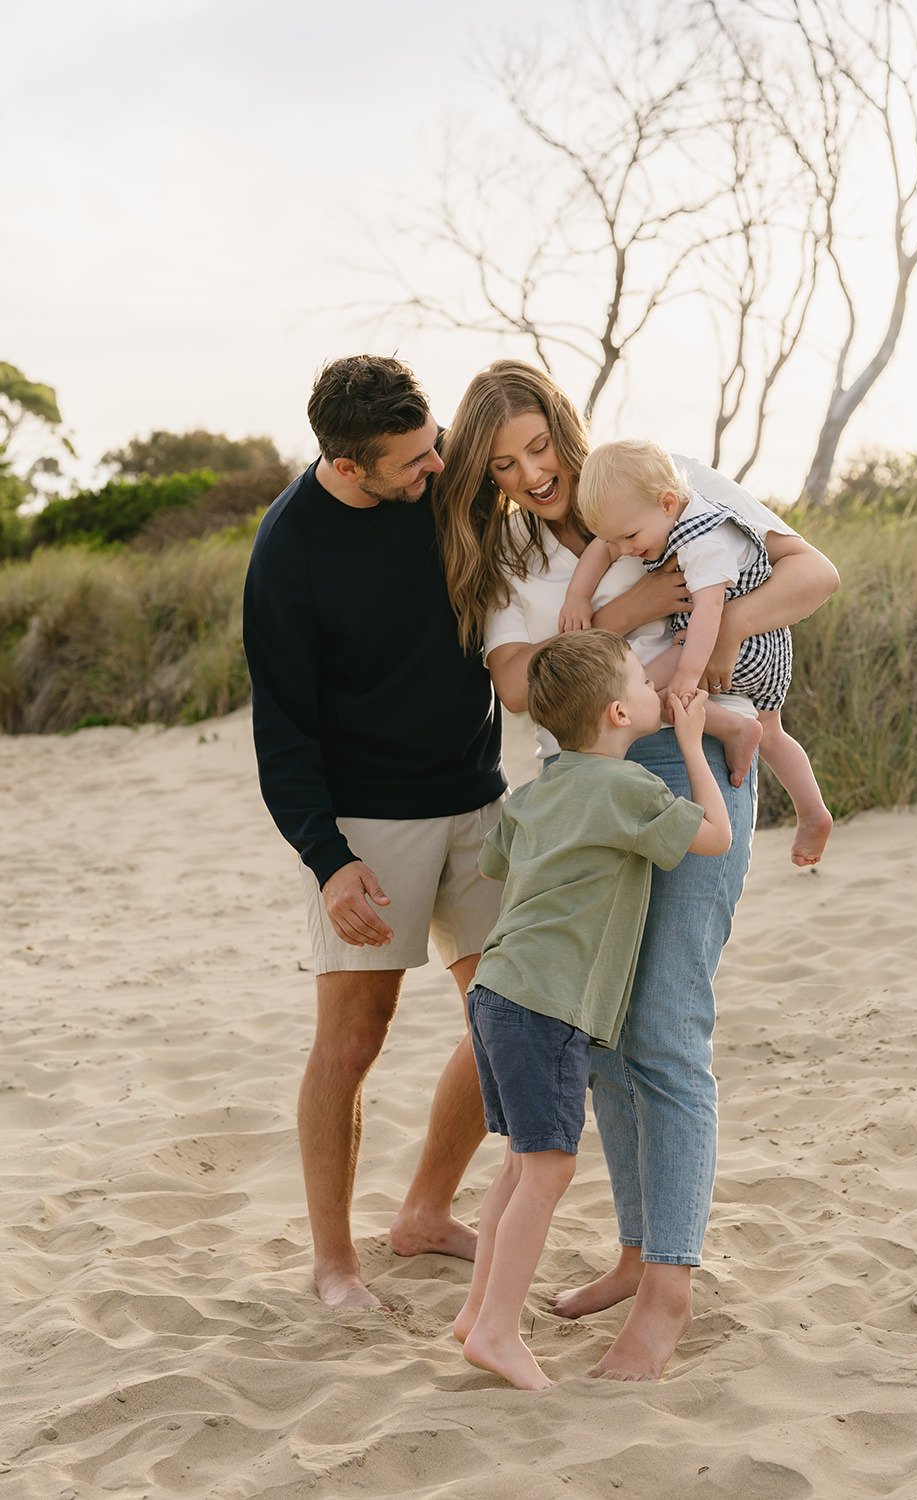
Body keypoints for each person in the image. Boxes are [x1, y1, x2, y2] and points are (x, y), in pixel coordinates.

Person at [433, 359, 840, 1380]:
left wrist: (703, 647)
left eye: (536, 445)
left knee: (663, 1027)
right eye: (503, 465)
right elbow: (526, 688)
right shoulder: (513, 557)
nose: (530, 474)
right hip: (587, 783)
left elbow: (808, 578)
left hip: (692, 753)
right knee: (602, 1033)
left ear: (563, 427)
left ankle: (667, 1293)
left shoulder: (669, 481)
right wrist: (635, 606)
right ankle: (628, 1253)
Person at [242, 354, 507, 1310]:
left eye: (433, 446)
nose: (434, 469)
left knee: (510, 1018)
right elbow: (284, 729)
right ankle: (334, 1264)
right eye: (409, 461)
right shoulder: (289, 549)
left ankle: (425, 1215)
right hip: (364, 823)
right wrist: (330, 861)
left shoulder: (445, 490)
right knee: (353, 1043)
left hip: (479, 802)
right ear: (349, 466)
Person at [455, 631, 731, 1391]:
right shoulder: (626, 790)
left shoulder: (538, 789)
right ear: (619, 711)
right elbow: (716, 835)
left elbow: (496, 862)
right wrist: (690, 741)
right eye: (644, 682)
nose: (654, 686)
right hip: (547, 1004)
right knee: (550, 1169)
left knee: (518, 1165)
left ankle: (477, 1311)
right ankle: (498, 1332)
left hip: (496, 990)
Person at [567, 438, 832, 866]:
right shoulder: (653, 516)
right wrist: (577, 597)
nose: (626, 551)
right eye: (617, 541)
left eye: (631, 538)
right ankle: (812, 810)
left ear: (668, 503)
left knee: (648, 693)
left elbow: (711, 613)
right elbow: (603, 546)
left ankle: (731, 727)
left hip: (743, 642)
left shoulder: (704, 540)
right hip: (760, 640)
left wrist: (688, 676)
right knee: (773, 730)